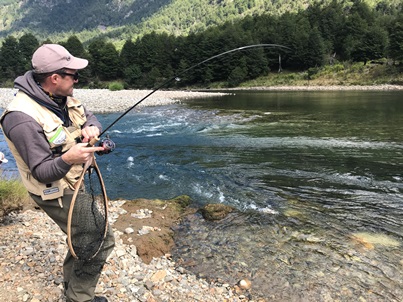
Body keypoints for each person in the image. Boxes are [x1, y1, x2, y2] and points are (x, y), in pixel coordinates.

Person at [0, 44, 115, 302]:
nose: (77, 79)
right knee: (100, 239)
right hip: (53, 189)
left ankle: (70, 286)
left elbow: (91, 118)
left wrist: (92, 130)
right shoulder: (21, 118)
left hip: (73, 179)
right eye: (73, 75)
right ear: (55, 78)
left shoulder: (63, 98)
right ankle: (79, 298)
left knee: (82, 234)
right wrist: (69, 158)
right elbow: (41, 171)